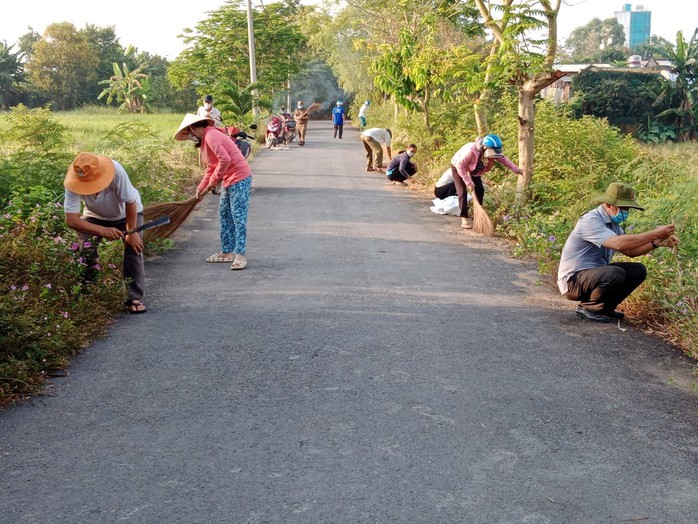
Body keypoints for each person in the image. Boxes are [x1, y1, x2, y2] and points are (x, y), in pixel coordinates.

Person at [557, 182, 679, 323]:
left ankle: (606, 307)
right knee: (615, 273)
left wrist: (657, 242)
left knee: (638, 270)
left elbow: (630, 251)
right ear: (608, 205)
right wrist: (654, 233)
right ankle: (589, 307)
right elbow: (619, 244)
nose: (625, 211)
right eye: (623, 207)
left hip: (592, 276)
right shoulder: (590, 221)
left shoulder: (613, 225)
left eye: (628, 208)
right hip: (573, 282)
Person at [63, 152, 147, 314]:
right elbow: (72, 220)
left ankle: (133, 297)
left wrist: (131, 232)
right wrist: (102, 230)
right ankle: (87, 291)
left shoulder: (116, 171)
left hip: (126, 213)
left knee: (134, 249)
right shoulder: (72, 182)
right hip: (94, 216)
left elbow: (130, 201)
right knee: (86, 249)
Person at [175, 113, 252, 270]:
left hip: (239, 177)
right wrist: (201, 187)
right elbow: (211, 167)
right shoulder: (205, 142)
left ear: (194, 128)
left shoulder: (211, 136)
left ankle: (241, 255)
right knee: (224, 214)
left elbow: (225, 160)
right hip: (228, 179)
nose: (191, 136)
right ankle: (226, 253)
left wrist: (213, 182)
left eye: (190, 133)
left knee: (238, 216)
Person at [450, 134, 522, 229]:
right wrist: (468, 182)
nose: (494, 155)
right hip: (458, 167)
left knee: (480, 190)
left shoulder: (492, 152)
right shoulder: (471, 151)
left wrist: (516, 170)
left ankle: (477, 216)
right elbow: (460, 165)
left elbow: (504, 160)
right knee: (462, 192)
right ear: (485, 147)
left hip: (474, 171)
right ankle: (464, 218)